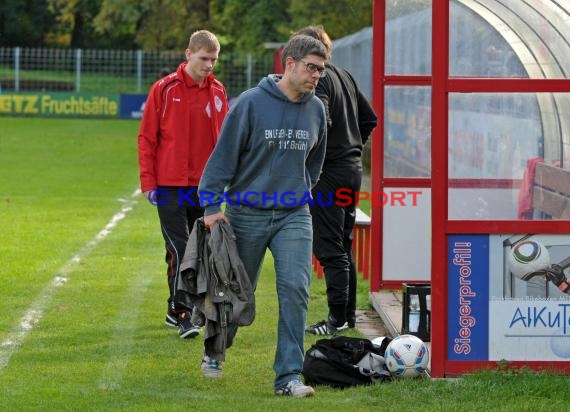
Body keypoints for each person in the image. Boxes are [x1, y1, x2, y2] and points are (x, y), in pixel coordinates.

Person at [198, 34, 328, 397]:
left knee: (295, 290)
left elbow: (314, 165)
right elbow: (223, 156)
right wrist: (211, 206)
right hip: (246, 212)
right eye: (311, 68)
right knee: (237, 291)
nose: (316, 75)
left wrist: (296, 191)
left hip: (293, 214)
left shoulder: (317, 110)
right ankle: (215, 351)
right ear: (289, 64)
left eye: (321, 70)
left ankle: (288, 377)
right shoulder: (251, 104)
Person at [138, 30, 229, 339]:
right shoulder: (163, 90)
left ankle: (173, 306)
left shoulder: (218, 92)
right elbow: (147, 138)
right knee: (179, 247)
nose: (209, 65)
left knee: (197, 251)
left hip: (203, 188)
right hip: (168, 185)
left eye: (214, 60)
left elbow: (224, 144)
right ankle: (182, 313)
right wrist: (149, 182)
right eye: (204, 58)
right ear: (188, 54)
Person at [293, 26, 378, 336]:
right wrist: (353, 146)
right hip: (352, 170)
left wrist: (320, 155)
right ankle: (346, 316)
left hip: (329, 172)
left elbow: (321, 120)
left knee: (330, 248)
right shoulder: (345, 75)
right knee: (343, 244)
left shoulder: (322, 78)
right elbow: (370, 119)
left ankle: (337, 318)